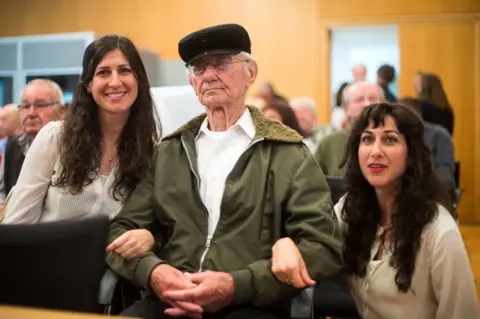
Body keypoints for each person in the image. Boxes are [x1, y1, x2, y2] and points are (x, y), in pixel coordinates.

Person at [106, 23, 344, 319]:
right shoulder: (170, 151)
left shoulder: (287, 152)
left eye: (221, 63)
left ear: (251, 73)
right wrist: (155, 272)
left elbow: (324, 247)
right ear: (192, 83)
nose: (207, 75)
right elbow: (121, 230)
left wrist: (237, 285)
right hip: (170, 300)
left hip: (251, 304)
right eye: (197, 67)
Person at [271, 103, 479, 318]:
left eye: (390, 139)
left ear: (412, 153)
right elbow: (318, 243)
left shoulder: (440, 233)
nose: (375, 151)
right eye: (367, 139)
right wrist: (284, 243)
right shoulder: (352, 207)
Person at [2, 35, 160, 259]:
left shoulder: (149, 151)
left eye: (124, 70)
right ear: (88, 84)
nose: (115, 82)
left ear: (139, 81)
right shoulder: (56, 137)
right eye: (103, 72)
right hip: (42, 271)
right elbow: (16, 225)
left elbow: (151, 222)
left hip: (108, 283)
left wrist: (151, 236)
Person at [0, 79, 62, 211]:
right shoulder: (13, 145)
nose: (31, 113)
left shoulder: (73, 147)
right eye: (25, 106)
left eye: (40, 105)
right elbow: (2, 194)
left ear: (60, 110)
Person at [315, 81, 384, 177]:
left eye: (372, 99)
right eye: (359, 100)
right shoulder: (329, 144)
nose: (367, 104)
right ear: (347, 109)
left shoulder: (395, 141)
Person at [399, 97, 456, 203]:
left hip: (432, 195)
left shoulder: (438, 134)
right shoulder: (395, 138)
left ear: (419, 115)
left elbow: (444, 174)